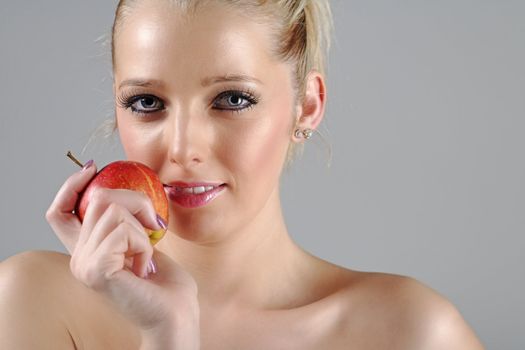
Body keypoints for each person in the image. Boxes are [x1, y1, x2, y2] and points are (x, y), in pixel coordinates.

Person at [0, 1, 484, 349]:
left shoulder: (411, 333)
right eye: (146, 102)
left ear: (308, 105)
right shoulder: (31, 301)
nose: (184, 148)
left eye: (233, 99)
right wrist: (165, 336)